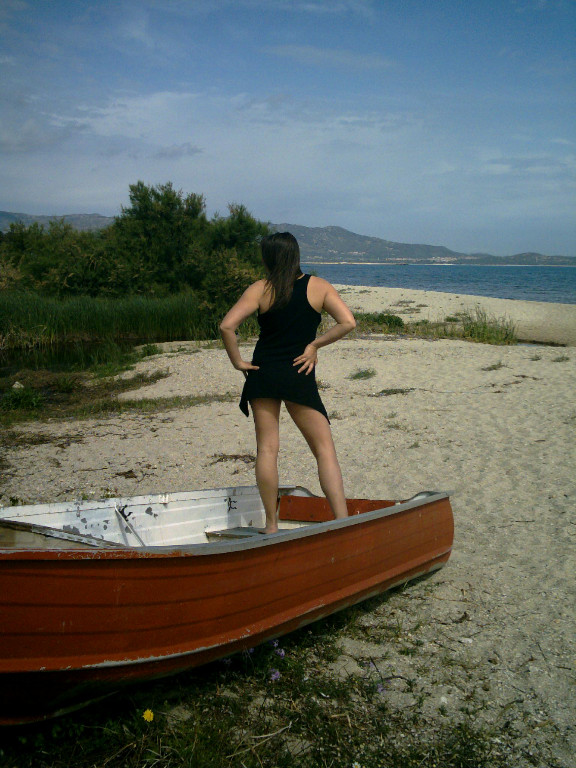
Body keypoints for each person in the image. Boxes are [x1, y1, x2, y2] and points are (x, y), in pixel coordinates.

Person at [219, 231, 356, 533]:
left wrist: (238, 362)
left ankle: (271, 525)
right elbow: (348, 322)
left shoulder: (260, 288)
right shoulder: (318, 286)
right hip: (298, 372)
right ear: (295, 254)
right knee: (324, 449)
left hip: (263, 371)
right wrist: (314, 346)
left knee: (267, 450)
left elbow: (227, 326)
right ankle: (342, 522)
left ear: (268, 258)